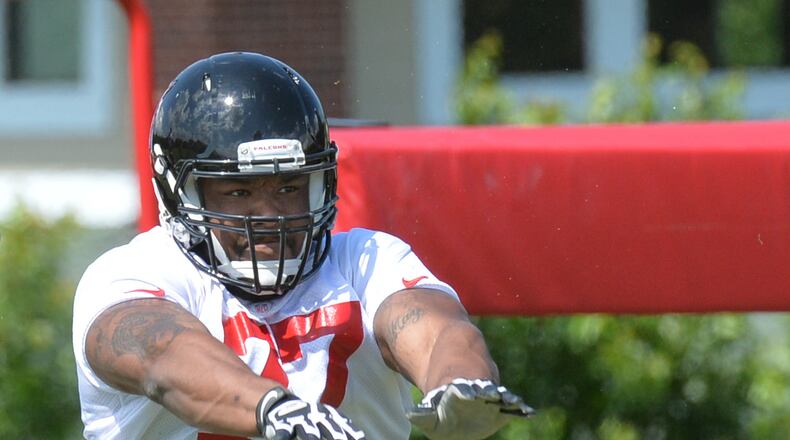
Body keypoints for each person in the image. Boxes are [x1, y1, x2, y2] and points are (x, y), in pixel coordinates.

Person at [72, 51, 534, 440]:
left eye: (289, 188)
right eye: (239, 193)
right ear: (179, 193)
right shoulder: (133, 275)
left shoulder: (365, 261)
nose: (270, 215)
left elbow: (436, 330)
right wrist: (276, 412)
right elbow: (163, 357)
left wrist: (459, 382)